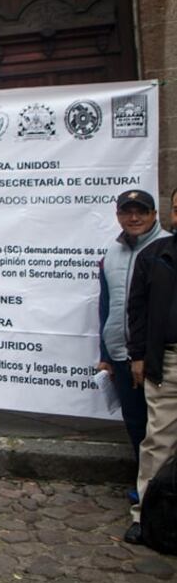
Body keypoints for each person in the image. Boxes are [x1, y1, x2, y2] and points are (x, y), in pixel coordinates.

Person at [98, 190, 168, 502]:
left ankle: (159, 493)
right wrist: (105, 354)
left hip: (157, 355)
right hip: (120, 352)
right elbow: (106, 305)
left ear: (155, 214)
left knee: (161, 430)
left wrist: (145, 353)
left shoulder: (166, 247)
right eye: (127, 212)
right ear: (118, 216)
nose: (134, 217)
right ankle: (145, 485)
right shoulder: (112, 253)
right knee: (136, 422)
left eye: (142, 211)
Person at [124, 187, 177, 545]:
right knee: (159, 441)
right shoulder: (156, 256)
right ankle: (146, 516)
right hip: (169, 360)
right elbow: (137, 311)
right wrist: (139, 356)